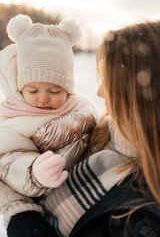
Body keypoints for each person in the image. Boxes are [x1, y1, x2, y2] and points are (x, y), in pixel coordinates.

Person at [43, 20, 160, 237]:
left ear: (141, 93)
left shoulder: (144, 220)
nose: (99, 92)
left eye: (109, 81)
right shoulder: (104, 135)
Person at [0, 14, 96, 236]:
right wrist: (33, 171)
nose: (43, 98)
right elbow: (9, 159)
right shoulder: (13, 118)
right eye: (33, 91)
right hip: (40, 203)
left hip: (84, 198)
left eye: (54, 91)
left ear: (68, 88)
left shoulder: (82, 107)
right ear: (21, 88)